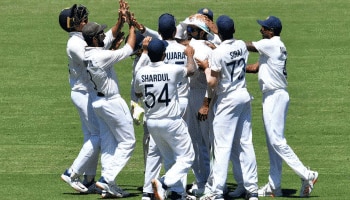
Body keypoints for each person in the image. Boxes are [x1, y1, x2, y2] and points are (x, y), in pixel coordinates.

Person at [245, 16, 318, 198]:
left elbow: (247, 46)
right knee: (273, 142)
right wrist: (232, 66)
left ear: (271, 31)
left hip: (275, 96)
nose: (260, 30)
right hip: (275, 95)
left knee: (277, 141)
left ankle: (307, 174)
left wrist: (226, 45)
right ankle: (274, 185)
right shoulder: (273, 47)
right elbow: (256, 68)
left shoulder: (271, 44)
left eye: (263, 28)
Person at [198, 15, 259, 200]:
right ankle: (251, 189)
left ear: (219, 32)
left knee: (222, 146)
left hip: (227, 101)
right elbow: (229, 55)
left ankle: (216, 192)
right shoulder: (240, 44)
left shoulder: (217, 53)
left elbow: (213, 82)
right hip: (243, 96)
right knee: (245, 143)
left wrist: (206, 67)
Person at [82, 11, 137, 198]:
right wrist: (131, 26)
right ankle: (107, 178)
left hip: (98, 102)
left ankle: (108, 187)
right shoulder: (102, 56)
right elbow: (129, 49)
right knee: (128, 141)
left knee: (109, 144)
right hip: (112, 102)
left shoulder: (88, 53)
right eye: (101, 35)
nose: (104, 36)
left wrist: (120, 22)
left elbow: (108, 45)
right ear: (95, 39)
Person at [134, 38, 196, 200]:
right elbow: (191, 70)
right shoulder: (172, 69)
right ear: (163, 54)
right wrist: (189, 55)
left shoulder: (141, 72)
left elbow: (138, 92)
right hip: (171, 120)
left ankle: (176, 193)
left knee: (169, 158)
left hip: (153, 122)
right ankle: (164, 182)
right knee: (187, 156)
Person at [58, 4, 101, 194]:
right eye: (80, 18)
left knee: (91, 136)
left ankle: (89, 179)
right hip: (83, 94)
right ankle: (71, 173)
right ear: (74, 24)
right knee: (97, 136)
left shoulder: (80, 38)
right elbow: (94, 58)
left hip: (84, 92)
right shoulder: (75, 43)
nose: (85, 20)